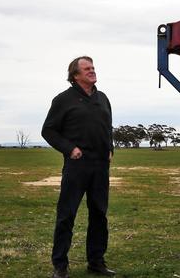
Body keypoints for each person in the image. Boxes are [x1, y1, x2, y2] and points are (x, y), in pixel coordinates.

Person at [42, 56, 115, 278]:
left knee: (99, 215)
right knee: (67, 215)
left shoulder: (102, 98)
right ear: (75, 75)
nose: (92, 71)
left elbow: (107, 127)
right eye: (87, 69)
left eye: (93, 67)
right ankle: (60, 266)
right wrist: (69, 148)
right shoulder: (63, 100)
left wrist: (110, 148)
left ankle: (96, 262)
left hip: (100, 165)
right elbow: (49, 131)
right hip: (77, 165)